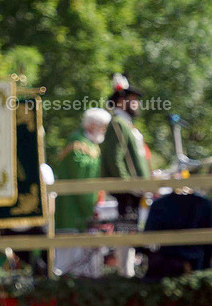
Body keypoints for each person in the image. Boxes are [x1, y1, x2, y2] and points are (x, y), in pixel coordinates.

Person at [99, 73, 150, 275]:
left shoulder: (125, 125)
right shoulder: (118, 124)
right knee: (125, 231)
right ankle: (124, 272)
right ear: (121, 101)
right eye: (133, 100)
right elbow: (114, 158)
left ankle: (128, 270)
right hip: (127, 192)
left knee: (130, 230)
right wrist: (126, 185)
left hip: (133, 191)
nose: (136, 104)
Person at [52, 108, 111, 276]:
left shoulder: (91, 145)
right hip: (73, 212)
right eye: (102, 127)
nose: (104, 131)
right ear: (92, 126)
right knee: (71, 264)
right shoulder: (77, 145)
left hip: (84, 210)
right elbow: (82, 179)